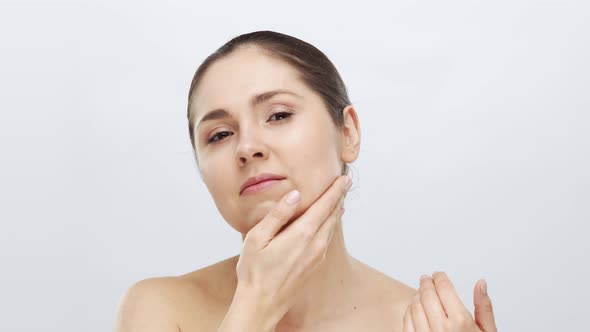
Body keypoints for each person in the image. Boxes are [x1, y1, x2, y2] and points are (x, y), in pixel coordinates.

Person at [114, 30, 498, 332]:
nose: (247, 147)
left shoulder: (423, 322)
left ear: (347, 133)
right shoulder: (159, 309)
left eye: (278, 115)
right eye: (219, 135)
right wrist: (255, 306)